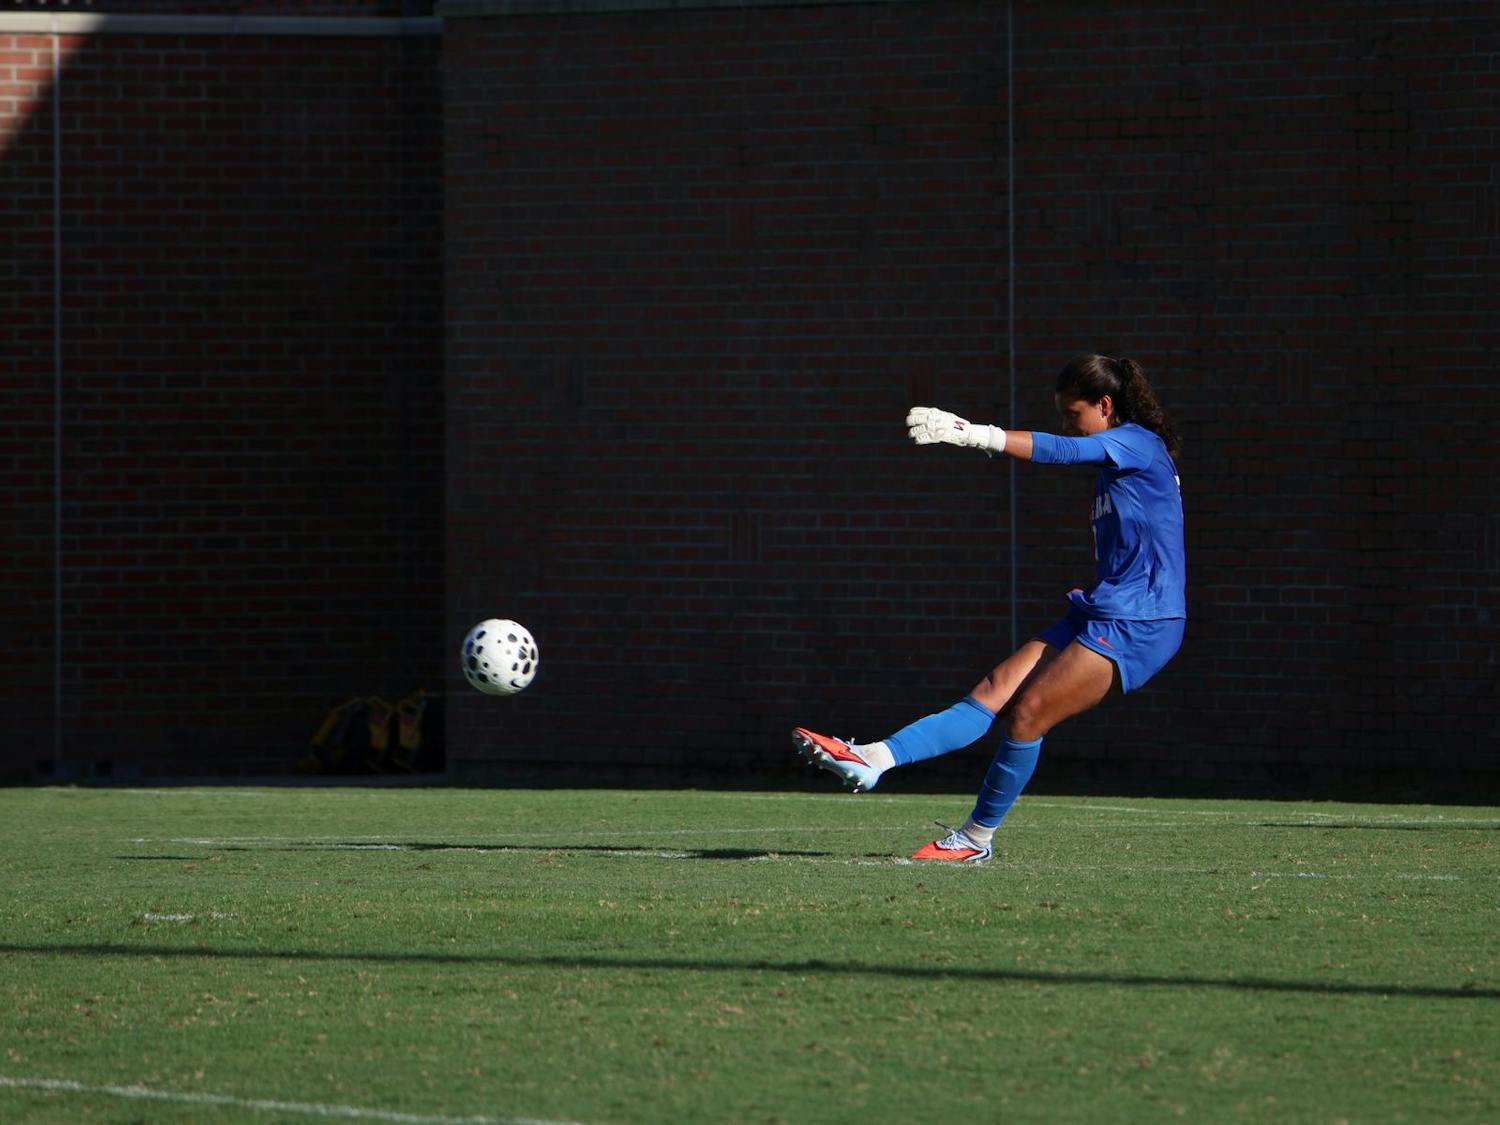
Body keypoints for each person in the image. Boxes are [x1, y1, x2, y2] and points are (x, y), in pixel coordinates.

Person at [792, 354, 1186, 862]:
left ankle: (975, 839)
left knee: (1027, 715)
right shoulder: (1119, 458)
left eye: (1074, 413)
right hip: (1105, 609)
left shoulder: (1138, 443)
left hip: (1143, 621)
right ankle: (872, 758)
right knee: (994, 691)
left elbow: (1062, 451)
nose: (1067, 424)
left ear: (1106, 406)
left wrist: (974, 433)